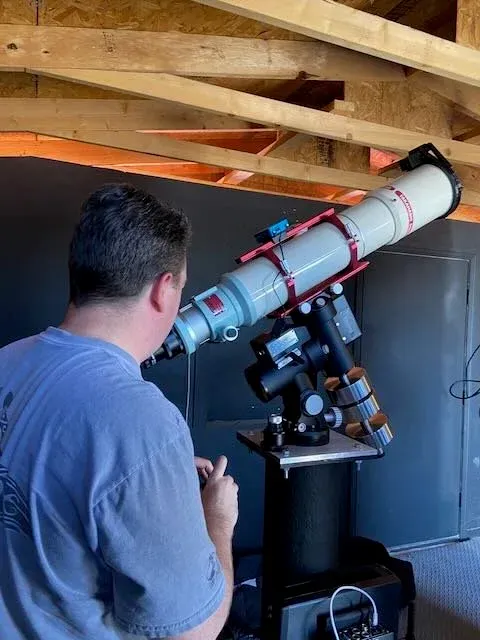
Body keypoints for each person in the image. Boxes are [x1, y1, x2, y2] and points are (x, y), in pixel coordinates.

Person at [0, 184, 239, 639]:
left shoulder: (8, 360)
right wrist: (217, 522)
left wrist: (150, 477)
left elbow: (47, 473)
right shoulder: (141, 422)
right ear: (163, 290)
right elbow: (194, 632)